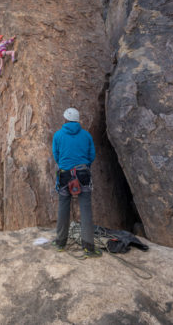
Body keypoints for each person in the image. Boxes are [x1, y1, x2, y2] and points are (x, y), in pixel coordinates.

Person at [51, 107, 102, 257]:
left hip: (65, 175)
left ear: (65, 119)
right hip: (83, 174)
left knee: (63, 207)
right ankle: (88, 247)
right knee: (85, 209)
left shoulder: (58, 135)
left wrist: (66, 165)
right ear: (77, 120)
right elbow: (91, 155)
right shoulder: (86, 135)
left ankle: (60, 243)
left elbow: (56, 155)